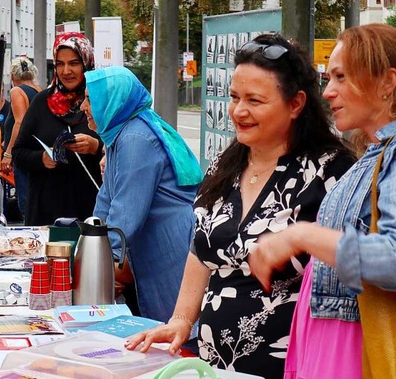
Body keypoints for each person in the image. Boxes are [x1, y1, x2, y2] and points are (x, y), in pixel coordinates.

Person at [126, 34, 355, 378]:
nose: (239, 111)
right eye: (234, 97)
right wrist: (181, 321)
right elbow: (201, 250)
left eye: (255, 100)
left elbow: (347, 271)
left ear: (295, 104)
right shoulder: (226, 164)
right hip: (214, 366)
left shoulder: (330, 171)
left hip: (291, 364)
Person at [247, 24, 396, 379]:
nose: (329, 92)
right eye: (329, 78)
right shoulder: (375, 155)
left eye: (342, 77)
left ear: (388, 83)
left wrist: (302, 236)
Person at [80, 66, 203, 323]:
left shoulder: (135, 138)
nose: (83, 107)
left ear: (112, 101)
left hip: (170, 245)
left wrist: (100, 263)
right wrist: (89, 244)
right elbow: (106, 201)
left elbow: (126, 215)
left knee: (178, 332)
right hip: (155, 244)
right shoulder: (119, 134)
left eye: (89, 99)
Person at [12, 32, 103, 226]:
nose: (66, 71)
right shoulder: (42, 102)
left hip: (91, 208)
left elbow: (122, 152)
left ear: (87, 63)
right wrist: (42, 159)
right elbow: (18, 152)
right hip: (46, 212)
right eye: (60, 64)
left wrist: (96, 147)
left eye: (74, 63)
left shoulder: (102, 100)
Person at [1, 57, 42, 218]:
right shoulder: (39, 90)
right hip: (37, 152)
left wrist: (8, 153)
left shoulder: (17, 91)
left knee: (25, 202)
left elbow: (20, 122)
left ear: (12, 76)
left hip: (23, 153)